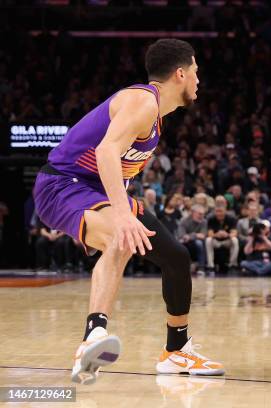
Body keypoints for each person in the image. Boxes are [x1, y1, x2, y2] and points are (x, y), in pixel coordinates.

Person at [33, 39, 224, 384]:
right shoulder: (142, 101)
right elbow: (106, 151)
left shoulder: (155, 116)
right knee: (121, 237)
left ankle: (176, 351)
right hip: (62, 184)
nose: (199, 80)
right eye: (196, 72)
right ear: (180, 74)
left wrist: (122, 209)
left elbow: (114, 165)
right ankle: (93, 338)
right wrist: (122, 215)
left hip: (96, 190)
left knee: (176, 258)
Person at [205, 203, 239, 272]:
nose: (219, 213)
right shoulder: (211, 219)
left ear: (225, 211)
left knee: (235, 240)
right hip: (216, 241)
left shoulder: (231, 219)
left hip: (227, 241)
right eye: (217, 211)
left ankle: (232, 264)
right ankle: (210, 265)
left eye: (221, 211)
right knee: (208, 240)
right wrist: (216, 235)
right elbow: (209, 233)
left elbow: (234, 233)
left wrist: (227, 235)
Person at [178, 204, 208, 274]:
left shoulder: (204, 221)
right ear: (192, 213)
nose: (202, 216)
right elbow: (182, 235)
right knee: (180, 243)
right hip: (185, 242)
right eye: (200, 214)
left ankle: (201, 268)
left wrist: (190, 236)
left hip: (198, 243)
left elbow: (203, 236)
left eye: (203, 214)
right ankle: (182, 267)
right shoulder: (184, 220)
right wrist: (196, 235)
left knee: (199, 243)